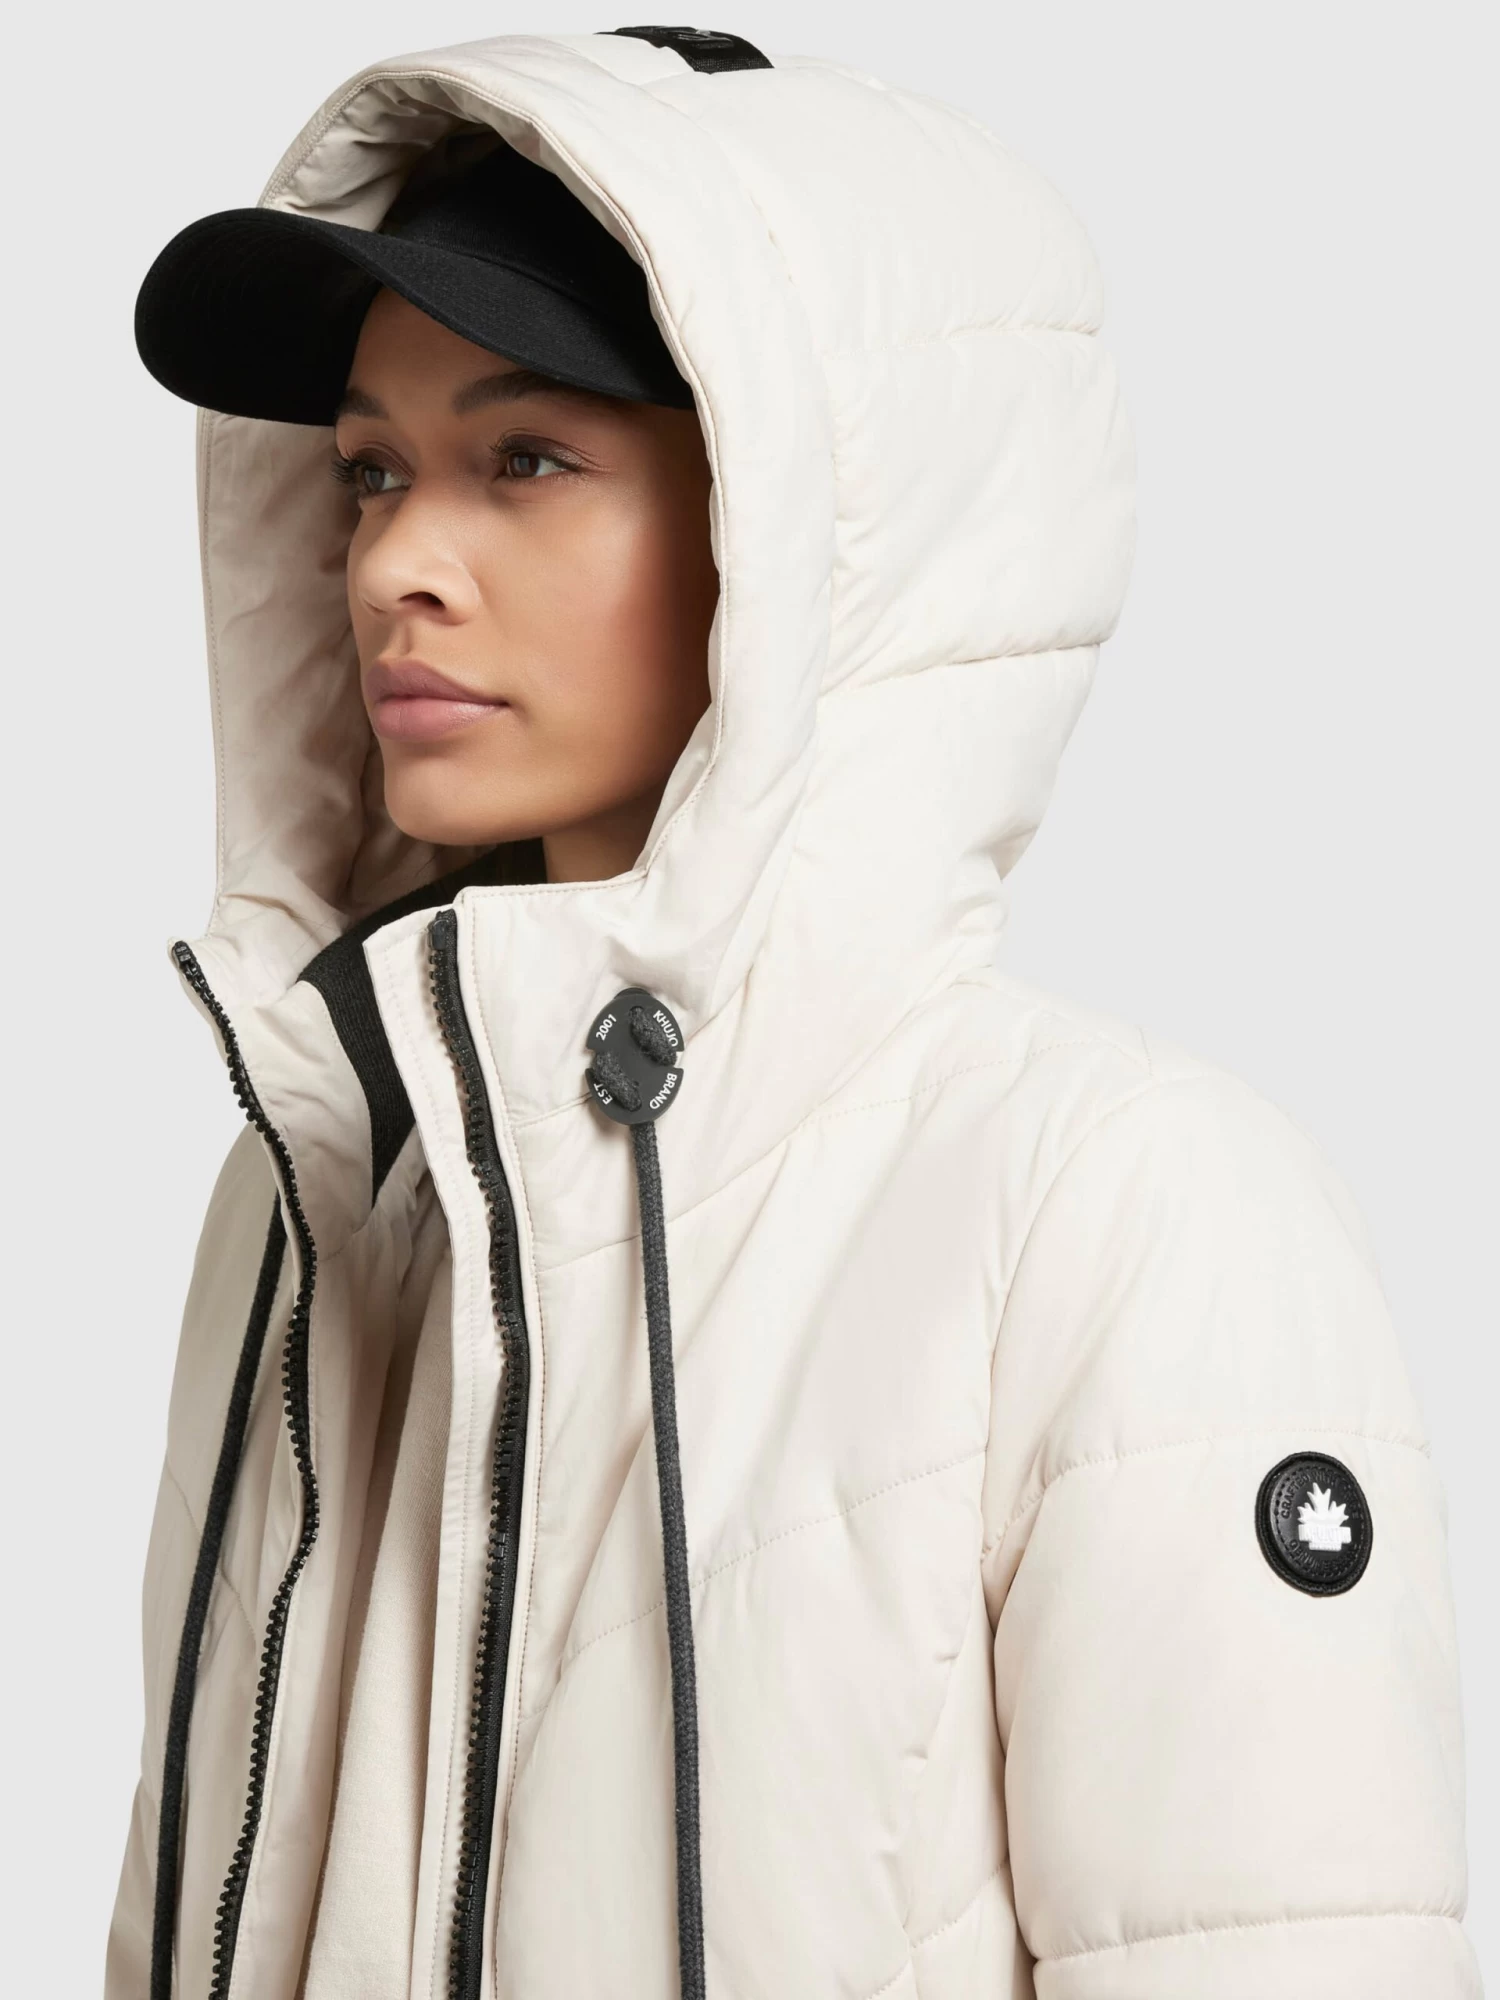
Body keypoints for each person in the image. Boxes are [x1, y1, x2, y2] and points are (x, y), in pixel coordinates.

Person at [108, 26, 1480, 2000]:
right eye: (370, 472)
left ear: (806, 539)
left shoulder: (1120, 1212)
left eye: (527, 458)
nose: (398, 560)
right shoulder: (318, 1200)